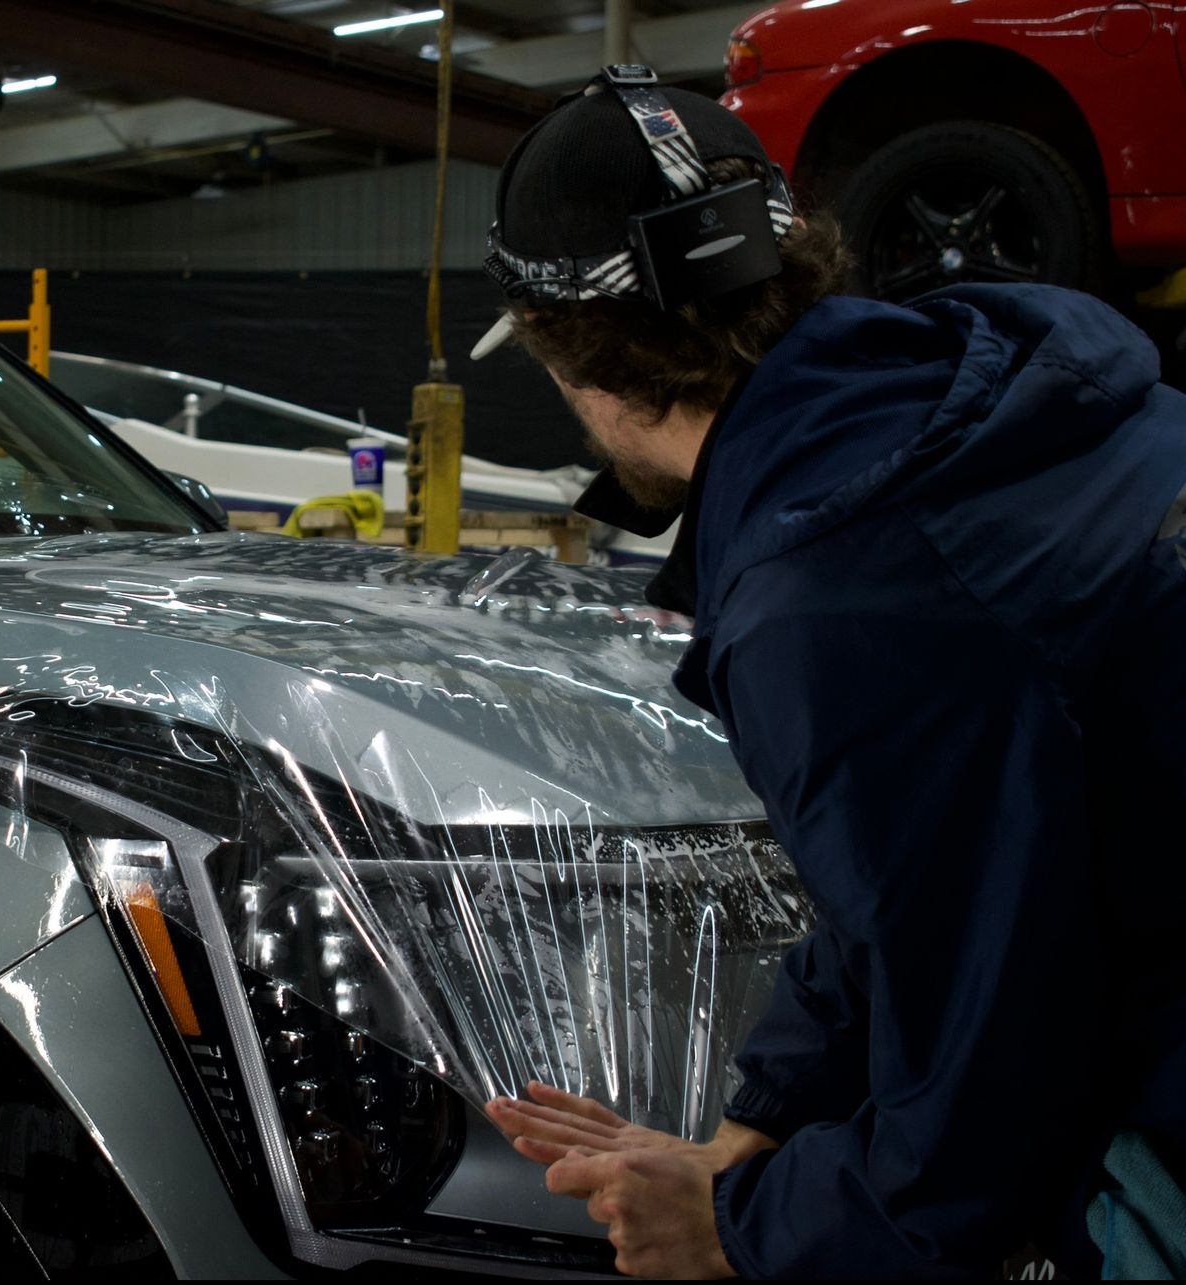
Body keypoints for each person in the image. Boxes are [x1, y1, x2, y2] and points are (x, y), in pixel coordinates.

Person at [472, 66, 1186, 1279]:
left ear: (564, 352)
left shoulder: (838, 595)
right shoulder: (983, 402)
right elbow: (912, 885)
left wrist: (739, 1228)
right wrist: (761, 1125)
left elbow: (991, 1085)